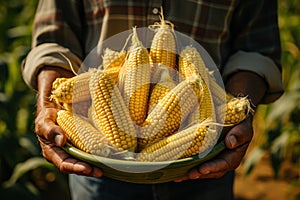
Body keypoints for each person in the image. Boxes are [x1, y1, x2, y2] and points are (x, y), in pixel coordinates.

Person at [22, 0, 284, 199]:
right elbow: (53, 38)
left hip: (206, 165)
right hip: (100, 171)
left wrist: (237, 108)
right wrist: (49, 105)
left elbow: (256, 48)